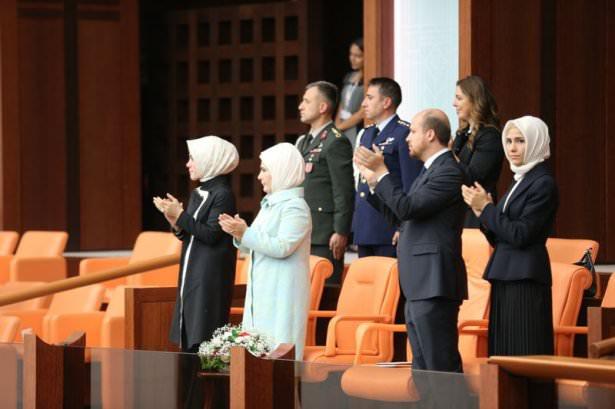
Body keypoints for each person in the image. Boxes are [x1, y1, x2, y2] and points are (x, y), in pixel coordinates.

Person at [355, 109, 467, 372]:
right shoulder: (430, 170)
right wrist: (374, 183)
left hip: (434, 281)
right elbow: (402, 218)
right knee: (422, 368)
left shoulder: (448, 171)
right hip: (419, 282)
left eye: (413, 131)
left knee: (440, 367)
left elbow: (407, 208)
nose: (407, 137)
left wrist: (383, 172)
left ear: (430, 134)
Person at [461, 116, 557, 356]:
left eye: (521, 141)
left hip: (525, 277)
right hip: (505, 272)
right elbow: (500, 238)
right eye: (509, 141)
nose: (513, 148)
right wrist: (483, 214)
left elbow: (521, 234)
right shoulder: (520, 179)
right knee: (502, 353)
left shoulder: (543, 183)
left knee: (523, 352)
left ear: (536, 141)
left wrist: (488, 209)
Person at [218, 143, 311, 359]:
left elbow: (282, 247)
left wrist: (246, 233)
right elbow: (256, 242)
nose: (259, 176)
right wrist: (239, 233)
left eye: (264, 170)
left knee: (279, 355)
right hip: (263, 288)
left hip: (281, 291)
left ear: (281, 170)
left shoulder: (295, 206)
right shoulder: (271, 204)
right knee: (256, 352)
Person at [154, 135, 238, 352]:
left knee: (203, 336)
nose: (188, 164)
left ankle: (201, 373)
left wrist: (181, 215)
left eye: (192, 158)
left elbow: (211, 235)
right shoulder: (198, 193)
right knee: (188, 331)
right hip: (192, 270)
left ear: (210, 160)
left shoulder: (223, 194)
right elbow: (190, 235)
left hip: (209, 274)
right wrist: (175, 221)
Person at [352, 77, 423, 258]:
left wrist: (403, 226)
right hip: (365, 224)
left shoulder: (403, 132)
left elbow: (411, 183)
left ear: (386, 102)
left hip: (388, 227)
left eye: (370, 98)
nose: (364, 103)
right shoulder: (367, 133)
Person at [296, 81, 354, 284]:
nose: (300, 106)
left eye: (306, 101)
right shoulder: (304, 141)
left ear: (322, 107)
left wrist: (340, 231)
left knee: (324, 289)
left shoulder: (335, 141)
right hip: (303, 230)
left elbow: (343, 190)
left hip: (325, 235)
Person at [452, 75, 504, 227]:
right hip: (457, 212)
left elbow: (473, 178)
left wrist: (449, 155)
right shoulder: (463, 132)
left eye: (459, 98)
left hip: (475, 215)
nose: (454, 103)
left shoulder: (490, 135)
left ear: (474, 100)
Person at [334, 38, 365, 148]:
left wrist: (340, 127)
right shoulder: (349, 77)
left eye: (358, 56)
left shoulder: (369, 80)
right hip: (342, 126)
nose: (353, 59)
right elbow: (342, 105)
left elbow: (362, 113)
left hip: (356, 128)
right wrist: (336, 127)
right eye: (351, 54)